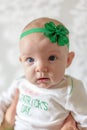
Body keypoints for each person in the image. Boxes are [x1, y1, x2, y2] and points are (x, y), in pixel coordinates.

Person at [0, 17, 87, 130]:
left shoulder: (70, 89)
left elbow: (84, 118)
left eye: (51, 58)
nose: (40, 68)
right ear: (21, 61)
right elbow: (3, 102)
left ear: (68, 60)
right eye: (30, 60)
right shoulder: (20, 83)